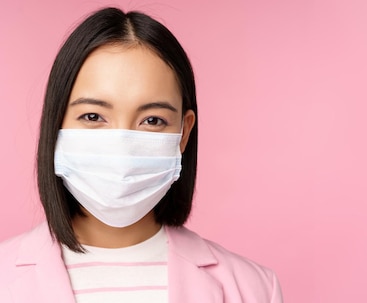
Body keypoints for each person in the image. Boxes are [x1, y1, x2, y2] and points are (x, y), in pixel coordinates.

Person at [0, 7, 283, 303]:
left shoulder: (256, 289)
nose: (122, 146)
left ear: (183, 133)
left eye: (152, 120)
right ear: (56, 123)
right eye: (94, 116)